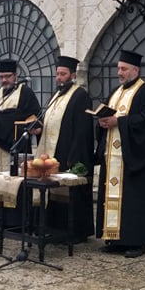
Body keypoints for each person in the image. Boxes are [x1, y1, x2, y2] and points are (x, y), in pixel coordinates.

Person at [94, 49, 145, 258]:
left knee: (134, 202)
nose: (119, 72)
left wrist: (119, 121)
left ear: (135, 70)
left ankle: (136, 242)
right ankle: (115, 239)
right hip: (113, 157)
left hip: (134, 159)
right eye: (119, 68)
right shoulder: (116, 92)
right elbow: (108, 114)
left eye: (124, 69)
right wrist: (102, 122)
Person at [35, 55, 96, 241]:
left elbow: (83, 130)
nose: (59, 78)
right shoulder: (56, 95)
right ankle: (55, 228)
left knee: (71, 195)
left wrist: (74, 157)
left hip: (70, 154)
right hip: (53, 153)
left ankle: (76, 232)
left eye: (63, 74)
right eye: (57, 74)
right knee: (54, 195)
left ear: (72, 75)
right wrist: (38, 129)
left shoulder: (80, 96)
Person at [0, 59, 40, 226]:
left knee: (15, 181)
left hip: (16, 145)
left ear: (15, 76)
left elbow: (33, 115)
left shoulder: (25, 92)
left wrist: (4, 117)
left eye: (7, 76)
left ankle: (15, 221)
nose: (4, 80)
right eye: (1, 77)